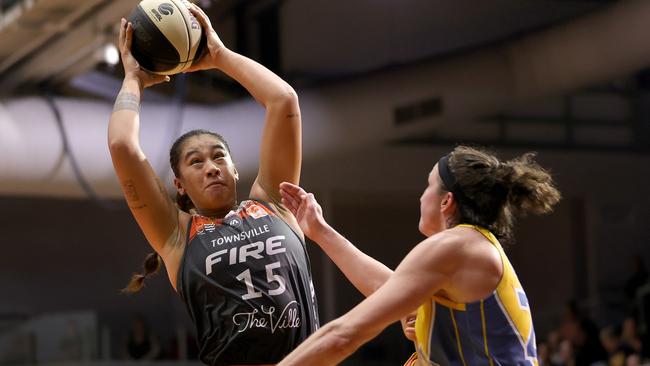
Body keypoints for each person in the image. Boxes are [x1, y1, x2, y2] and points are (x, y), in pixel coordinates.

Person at [108, 4, 319, 365]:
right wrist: (133, 79)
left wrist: (220, 56)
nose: (211, 167)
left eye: (219, 156)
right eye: (196, 162)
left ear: (236, 169)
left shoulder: (274, 203)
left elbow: (283, 100)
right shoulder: (177, 235)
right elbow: (122, 146)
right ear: (180, 186)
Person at [277, 146, 561, 366]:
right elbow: (384, 288)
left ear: (446, 201)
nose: (421, 196)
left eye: (427, 186)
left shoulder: (457, 246)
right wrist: (321, 231)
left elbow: (343, 335)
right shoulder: (470, 251)